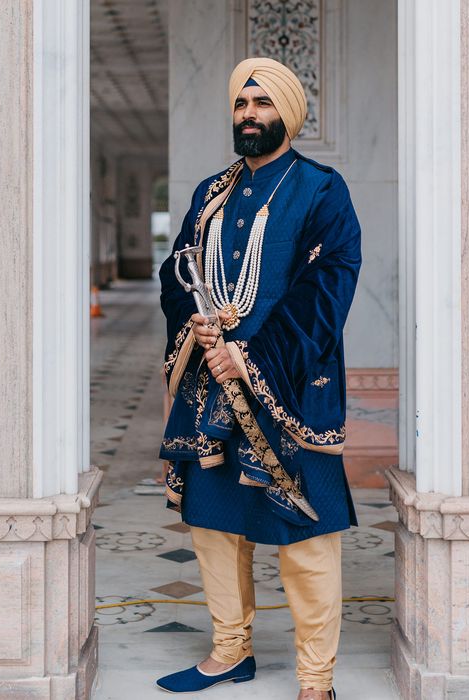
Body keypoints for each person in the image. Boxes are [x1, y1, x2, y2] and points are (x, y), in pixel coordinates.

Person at [156, 56, 361, 700]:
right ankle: (229, 651)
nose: (249, 115)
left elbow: (328, 286)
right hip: (209, 383)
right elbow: (176, 272)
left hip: (291, 384)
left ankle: (315, 680)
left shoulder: (321, 190)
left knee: (304, 537)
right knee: (213, 523)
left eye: (263, 104)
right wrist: (199, 324)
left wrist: (250, 355)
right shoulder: (210, 193)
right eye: (242, 105)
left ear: (288, 114)